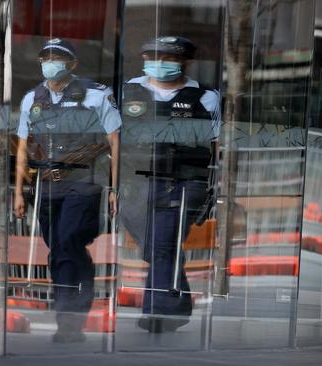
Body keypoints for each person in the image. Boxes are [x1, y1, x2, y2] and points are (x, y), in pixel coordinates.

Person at [13, 38, 120, 343]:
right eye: (45, 57)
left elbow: (115, 141)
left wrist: (114, 187)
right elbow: (23, 146)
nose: (51, 62)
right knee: (60, 249)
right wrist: (18, 191)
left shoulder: (97, 95)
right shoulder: (32, 98)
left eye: (58, 57)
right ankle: (71, 311)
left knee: (70, 242)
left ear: (72, 64)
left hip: (84, 181)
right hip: (47, 184)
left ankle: (69, 318)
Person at [119, 36, 220, 333]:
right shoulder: (127, 91)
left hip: (182, 182)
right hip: (135, 182)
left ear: (184, 62)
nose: (159, 63)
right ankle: (177, 303)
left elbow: (216, 145)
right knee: (158, 247)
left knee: (162, 245)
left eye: (168, 58)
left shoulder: (205, 97)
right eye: (153, 56)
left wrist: (214, 186)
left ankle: (157, 312)